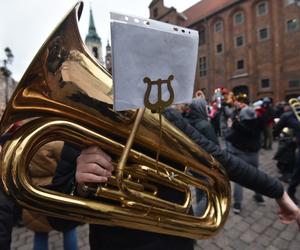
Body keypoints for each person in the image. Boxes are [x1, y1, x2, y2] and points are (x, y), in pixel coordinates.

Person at [50, 106, 300, 250]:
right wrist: (80, 185)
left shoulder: (168, 118)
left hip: (177, 243)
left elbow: (222, 160)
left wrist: (278, 191)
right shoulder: (85, 130)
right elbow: (57, 221)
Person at [225, 106, 264, 214]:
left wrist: (230, 126)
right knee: (256, 176)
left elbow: (228, 138)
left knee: (239, 179)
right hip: (254, 155)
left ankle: (238, 203)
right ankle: (259, 196)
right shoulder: (258, 123)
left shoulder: (238, 126)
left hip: (241, 155)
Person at [273, 102, 300, 204]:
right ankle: (290, 193)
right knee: (297, 173)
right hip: (295, 145)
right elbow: (276, 128)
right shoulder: (288, 116)